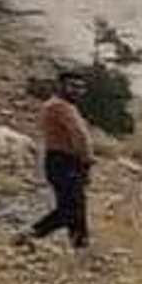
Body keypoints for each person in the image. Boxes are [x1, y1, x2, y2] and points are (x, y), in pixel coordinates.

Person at [14, 80, 97, 252]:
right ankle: (30, 234)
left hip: (61, 160)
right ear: (61, 86)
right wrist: (87, 160)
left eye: (81, 88)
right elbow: (79, 135)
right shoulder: (60, 107)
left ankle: (80, 247)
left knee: (75, 206)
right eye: (72, 87)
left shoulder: (60, 106)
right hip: (65, 161)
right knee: (70, 208)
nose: (77, 91)